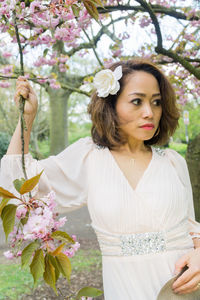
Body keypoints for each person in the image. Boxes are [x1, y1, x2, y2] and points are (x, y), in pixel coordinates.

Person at [1, 59, 200, 300]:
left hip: (183, 286)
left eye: (156, 102)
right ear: (111, 105)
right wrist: (27, 118)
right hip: (126, 286)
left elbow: (192, 227)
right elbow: (19, 185)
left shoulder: (172, 162)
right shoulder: (89, 157)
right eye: (137, 101)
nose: (150, 112)